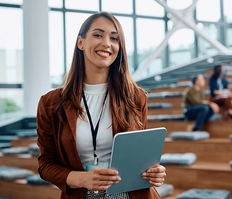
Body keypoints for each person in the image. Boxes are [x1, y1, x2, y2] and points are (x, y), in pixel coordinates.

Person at [36, 12, 166, 199]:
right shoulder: (50, 103)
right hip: (82, 194)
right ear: (80, 42)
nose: (107, 43)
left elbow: (141, 156)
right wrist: (82, 179)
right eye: (98, 35)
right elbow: (46, 165)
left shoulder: (135, 97)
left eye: (114, 38)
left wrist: (155, 172)